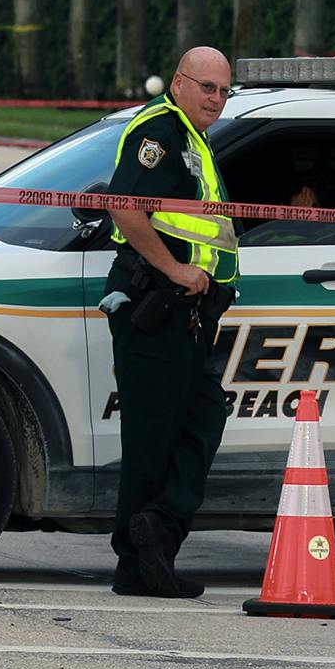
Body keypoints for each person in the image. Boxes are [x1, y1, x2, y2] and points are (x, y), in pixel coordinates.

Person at [101, 44, 239, 598]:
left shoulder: (192, 138)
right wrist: (174, 269)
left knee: (202, 420)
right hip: (155, 302)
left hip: (186, 314)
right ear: (178, 83)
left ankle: (153, 534)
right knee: (152, 440)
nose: (216, 98)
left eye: (224, 90)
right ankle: (138, 562)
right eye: (207, 87)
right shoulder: (161, 132)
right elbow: (125, 206)